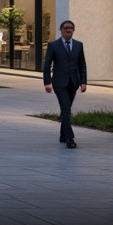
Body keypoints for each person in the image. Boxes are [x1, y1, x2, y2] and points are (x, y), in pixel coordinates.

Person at [42, 20, 87, 149]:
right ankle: (69, 138)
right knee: (66, 108)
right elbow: (47, 65)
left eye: (71, 28)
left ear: (74, 30)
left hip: (73, 82)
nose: (68, 30)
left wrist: (83, 82)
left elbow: (82, 65)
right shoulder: (53, 45)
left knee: (66, 109)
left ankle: (62, 135)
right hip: (59, 82)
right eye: (66, 28)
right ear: (61, 30)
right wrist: (47, 82)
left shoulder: (78, 45)